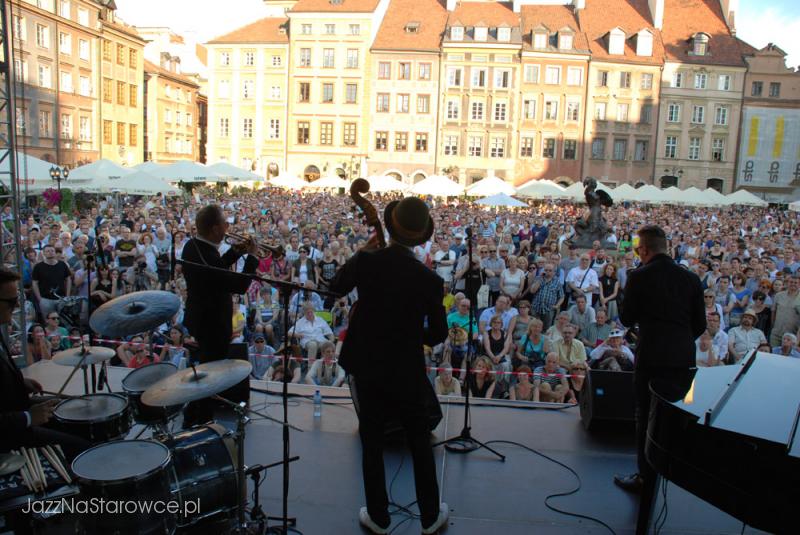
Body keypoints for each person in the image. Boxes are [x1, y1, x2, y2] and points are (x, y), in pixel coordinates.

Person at [329, 195, 449, 535]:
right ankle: (430, 517)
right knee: (419, 442)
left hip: (367, 364)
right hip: (406, 368)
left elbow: (335, 286)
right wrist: (411, 334)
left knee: (372, 440)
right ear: (421, 236)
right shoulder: (429, 280)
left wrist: (362, 252)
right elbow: (438, 334)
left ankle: (379, 517)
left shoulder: (368, 261)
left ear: (389, 226)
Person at [614, 225, 705, 493]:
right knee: (677, 415)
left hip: (651, 356)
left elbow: (627, 318)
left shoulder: (639, 276)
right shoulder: (690, 279)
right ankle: (674, 474)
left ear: (643, 249)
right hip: (683, 359)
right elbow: (699, 324)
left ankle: (645, 476)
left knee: (646, 414)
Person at [0, 267, 90, 463]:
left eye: (18, 300)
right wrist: (29, 417)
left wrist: (19, 382)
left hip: (17, 413)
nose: (16, 306)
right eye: (10, 301)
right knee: (80, 447)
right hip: (10, 435)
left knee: (81, 422)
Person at [181, 204, 258, 429]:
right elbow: (239, 285)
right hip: (212, 323)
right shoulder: (205, 254)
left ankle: (192, 414)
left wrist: (235, 252)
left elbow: (216, 270)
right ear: (215, 229)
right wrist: (252, 257)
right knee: (210, 376)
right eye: (225, 223)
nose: (228, 226)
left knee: (206, 368)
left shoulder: (193, 246)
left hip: (202, 318)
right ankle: (203, 422)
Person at [31, 244, 71, 321]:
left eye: (52, 250)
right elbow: (34, 283)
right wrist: (39, 298)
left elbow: (68, 279)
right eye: (48, 251)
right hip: (45, 299)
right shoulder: (38, 267)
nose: (50, 252)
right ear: (44, 253)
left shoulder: (62, 264)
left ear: (55, 252)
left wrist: (67, 295)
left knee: (64, 320)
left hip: (61, 298)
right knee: (48, 321)